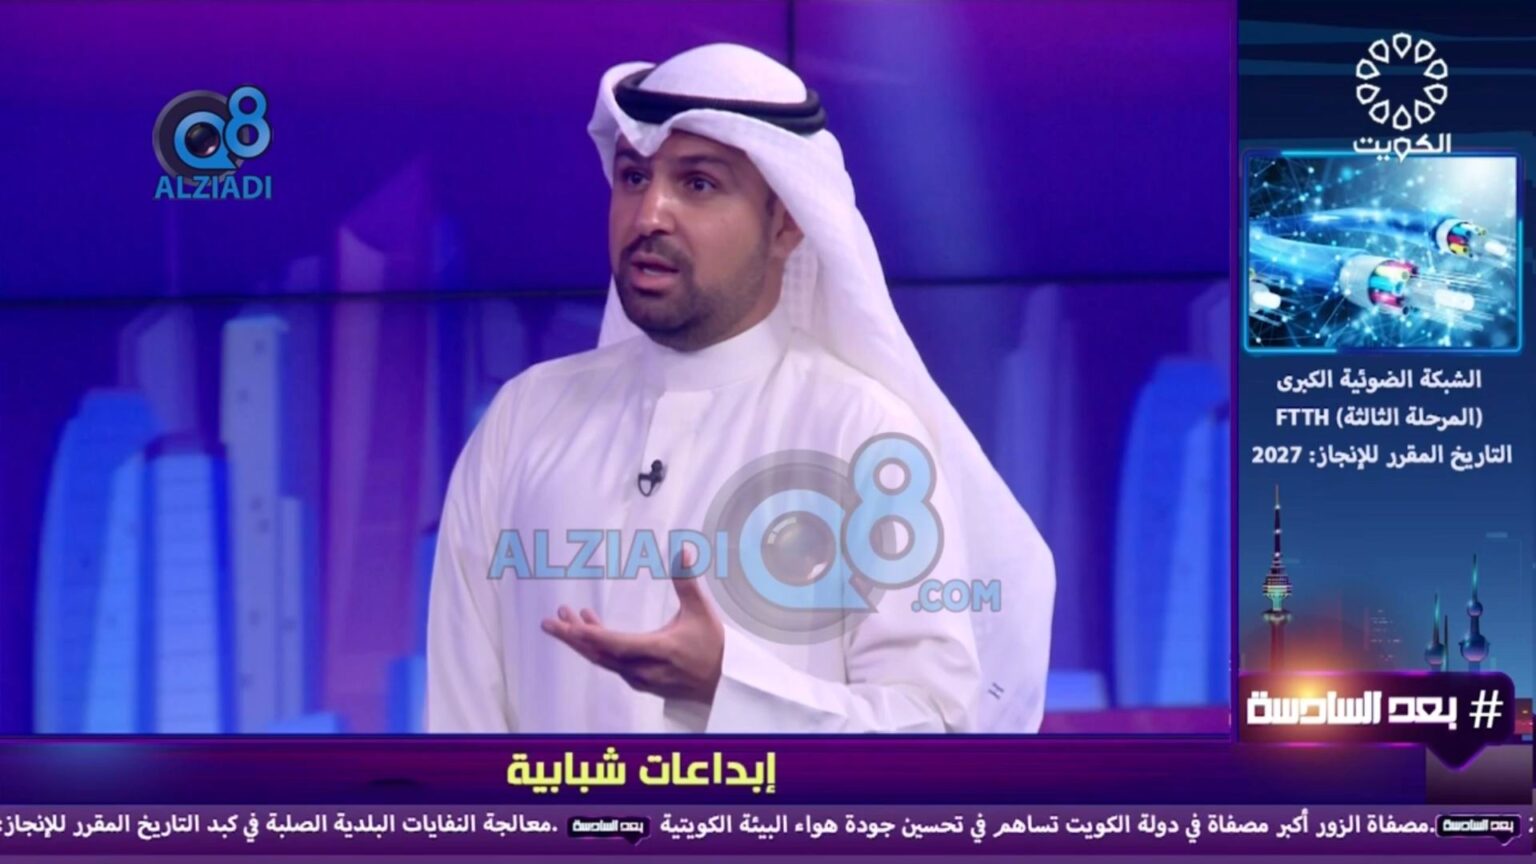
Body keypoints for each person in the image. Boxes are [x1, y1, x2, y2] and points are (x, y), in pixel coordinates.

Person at [426, 43, 1054, 734]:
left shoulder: (863, 433)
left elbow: (934, 725)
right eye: (634, 177)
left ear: (786, 223)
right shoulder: (523, 420)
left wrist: (729, 687)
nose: (649, 215)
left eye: (698, 184)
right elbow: (459, 729)